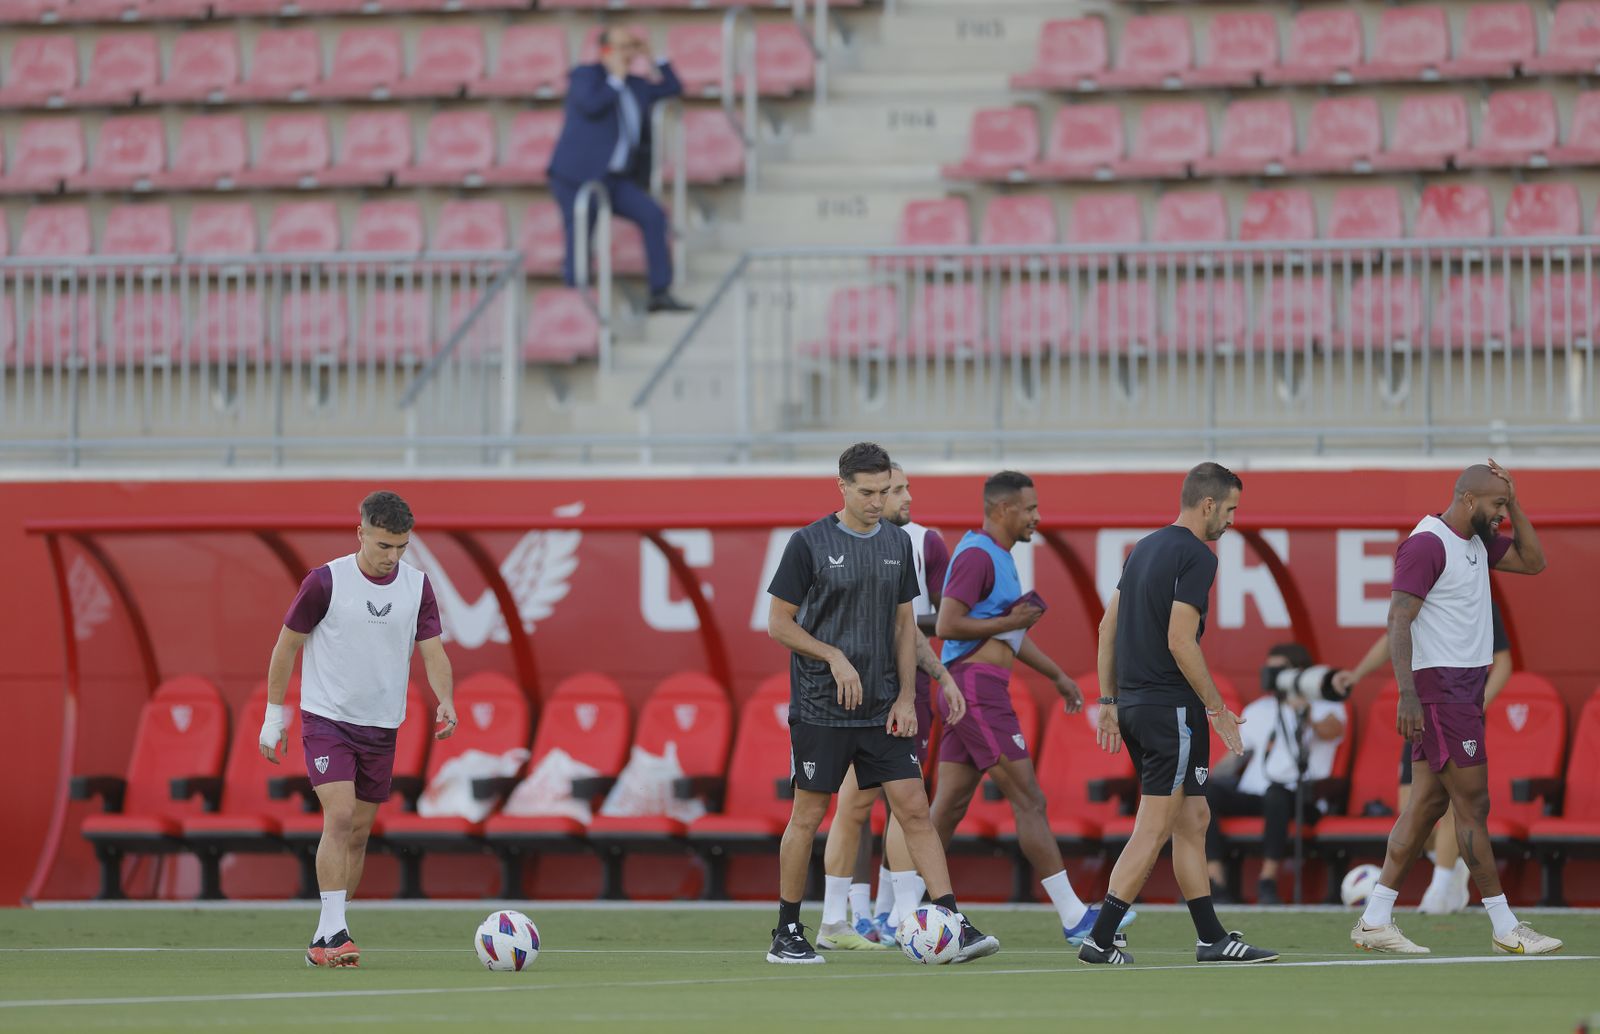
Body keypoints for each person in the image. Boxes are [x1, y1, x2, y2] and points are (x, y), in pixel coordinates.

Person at [764, 442, 997, 965]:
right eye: (866, 492)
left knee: (915, 809)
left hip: (882, 713)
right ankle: (787, 932)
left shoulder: (896, 542)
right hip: (822, 707)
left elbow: (903, 625)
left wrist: (909, 696)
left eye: (884, 490)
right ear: (842, 486)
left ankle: (952, 920)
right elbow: (779, 624)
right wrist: (833, 657)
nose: (876, 501)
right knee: (809, 815)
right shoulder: (808, 543)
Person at [1350, 461, 1560, 955]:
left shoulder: (1477, 540)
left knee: (1426, 805)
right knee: (1474, 806)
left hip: (1463, 687)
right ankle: (1505, 927)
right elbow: (1398, 619)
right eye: (1496, 505)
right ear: (1468, 499)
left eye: (1505, 507)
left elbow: (1535, 562)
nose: (1502, 515)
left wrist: (1515, 498)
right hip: (1440, 688)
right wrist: (1407, 694)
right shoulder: (1427, 543)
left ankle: (1375, 918)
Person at [1080, 462, 1278, 966]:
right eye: (1231, 509)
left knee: (1194, 818)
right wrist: (1219, 709)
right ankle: (1101, 939)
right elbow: (1179, 639)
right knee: (1154, 828)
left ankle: (1211, 937)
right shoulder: (1197, 555)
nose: (1232, 520)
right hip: (1173, 714)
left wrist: (1108, 702)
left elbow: (1107, 629)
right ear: (1208, 504)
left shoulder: (1143, 548)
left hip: (1140, 709)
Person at [929, 471, 1135, 947]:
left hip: (976, 688)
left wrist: (1059, 676)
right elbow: (948, 623)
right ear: (1002, 510)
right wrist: (1011, 620)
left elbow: (1008, 632)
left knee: (946, 809)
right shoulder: (979, 554)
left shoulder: (1000, 557)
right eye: (1030, 508)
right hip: (976, 689)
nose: (1037, 517)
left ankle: (903, 905)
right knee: (1029, 800)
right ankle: (1073, 916)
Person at [259, 491, 457, 968]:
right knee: (341, 815)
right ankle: (336, 934)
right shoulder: (325, 581)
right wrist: (273, 716)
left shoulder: (417, 587)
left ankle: (327, 937)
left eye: (402, 547)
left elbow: (432, 651)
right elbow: (286, 647)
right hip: (327, 718)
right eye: (384, 545)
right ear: (361, 533)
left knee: (360, 833)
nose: (393, 557)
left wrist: (446, 699)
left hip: (382, 725)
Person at [819, 462, 955, 950]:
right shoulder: (827, 543)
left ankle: (893, 914)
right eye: (891, 489)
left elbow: (916, 626)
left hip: (900, 693)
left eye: (900, 489)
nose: (900, 498)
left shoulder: (917, 542)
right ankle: (852, 916)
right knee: (854, 806)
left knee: (905, 805)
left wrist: (938, 676)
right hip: (848, 696)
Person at [1335, 601, 1512, 914]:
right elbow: (1394, 636)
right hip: (1422, 713)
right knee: (1414, 810)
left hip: (1459, 714)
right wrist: (1357, 674)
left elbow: (1503, 663)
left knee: (1452, 807)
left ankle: (1438, 891)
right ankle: (1454, 868)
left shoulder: (1475, 598)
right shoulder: (1417, 594)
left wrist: (1475, 709)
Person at [547, 26, 692, 313]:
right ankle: (579, 305)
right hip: (578, 176)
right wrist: (614, 77)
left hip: (617, 178)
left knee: (653, 216)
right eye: (621, 46)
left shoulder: (637, 85)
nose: (627, 52)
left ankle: (659, 292)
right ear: (605, 50)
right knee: (579, 237)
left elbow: (674, 87)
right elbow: (591, 105)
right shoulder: (585, 76)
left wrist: (654, 57)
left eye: (631, 46)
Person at [1205, 643, 1347, 905]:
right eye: (1269, 670)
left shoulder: (1324, 702)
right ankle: (1217, 881)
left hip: (1301, 796)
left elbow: (1332, 731)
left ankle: (1267, 880)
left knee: (1276, 794)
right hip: (1255, 795)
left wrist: (1301, 709)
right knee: (1203, 793)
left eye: (1280, 670)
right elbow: (1234, 757)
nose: (1274, 676)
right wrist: (1205, 778)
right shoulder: (1259, 709)